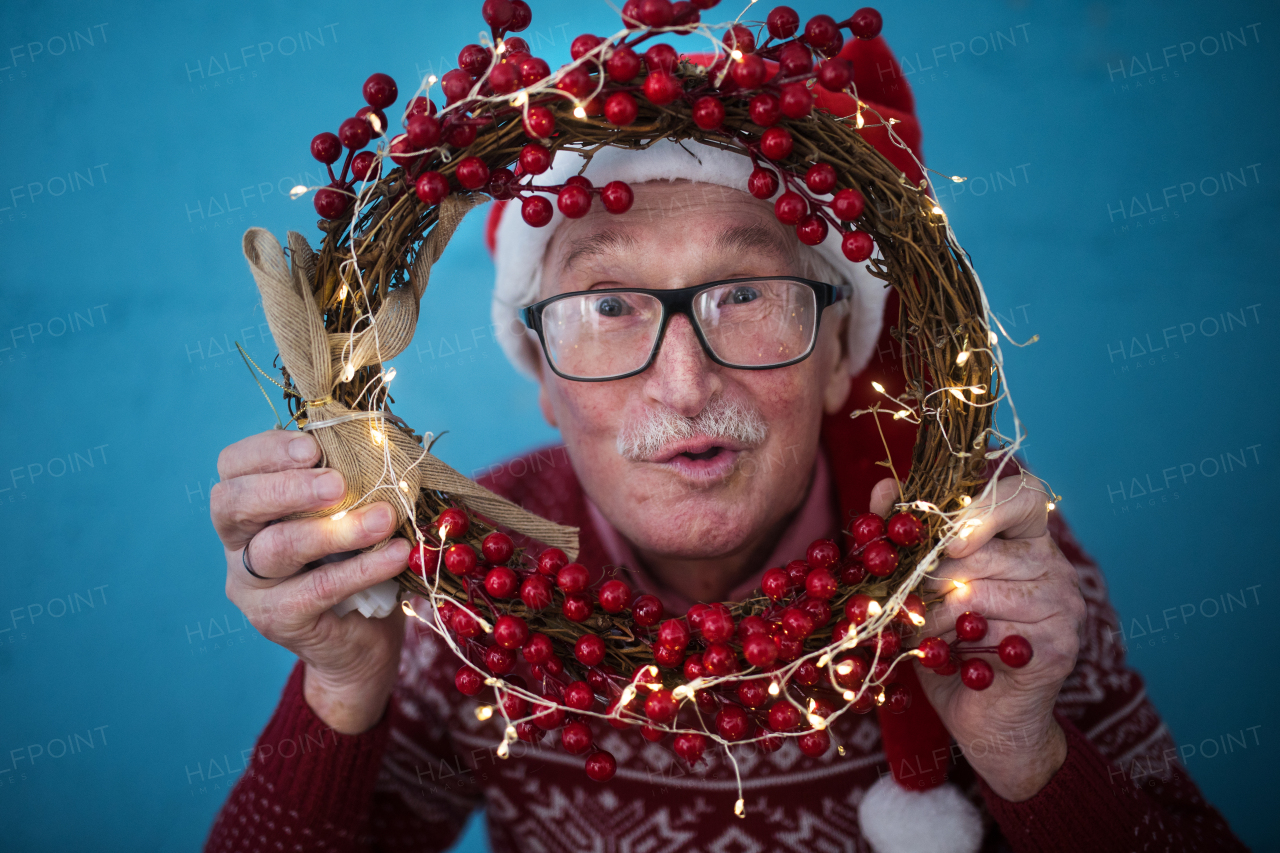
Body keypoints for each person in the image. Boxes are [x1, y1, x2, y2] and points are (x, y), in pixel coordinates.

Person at [205, 36, 1245, 853]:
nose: (684, 381)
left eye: (744, 294)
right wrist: (336, 696)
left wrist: (1029, 756)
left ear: (843, 349)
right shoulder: (465, 586)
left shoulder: (978, 566)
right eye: (607, 303)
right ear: (541, 377)